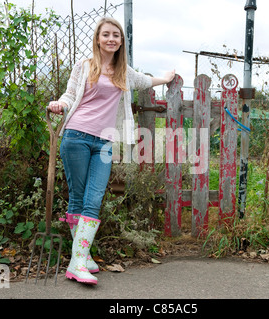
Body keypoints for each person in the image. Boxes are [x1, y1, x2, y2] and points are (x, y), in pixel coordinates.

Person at [47, 17, 175, 285]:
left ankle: (78, 259)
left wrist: (167, 78)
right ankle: (81, 260)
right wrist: (58, 103)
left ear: (121, 41)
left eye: (116, 35)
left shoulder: (123, 72)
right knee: (79, 198)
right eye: (106, 35)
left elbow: (143, 81)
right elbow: (70, 95)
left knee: (93, 200)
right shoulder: (84, 66)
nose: (111, 39)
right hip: (76, 136)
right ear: (98, 38)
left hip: (104, 142)